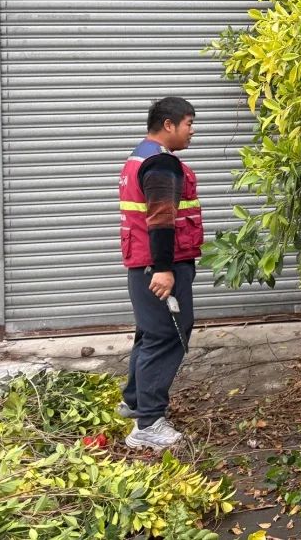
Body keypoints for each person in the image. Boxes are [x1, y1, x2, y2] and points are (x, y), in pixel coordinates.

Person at [118, 96, 201, 450]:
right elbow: (162, 219)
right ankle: (148, 424)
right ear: (169, 125)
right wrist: (165, 269)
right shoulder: (160, 164)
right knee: (168, 335)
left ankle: (136, 401)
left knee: (150, 333)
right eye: (189, 124)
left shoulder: (140, 156)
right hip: (159, 266)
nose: (192, 131)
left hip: (143, 263)